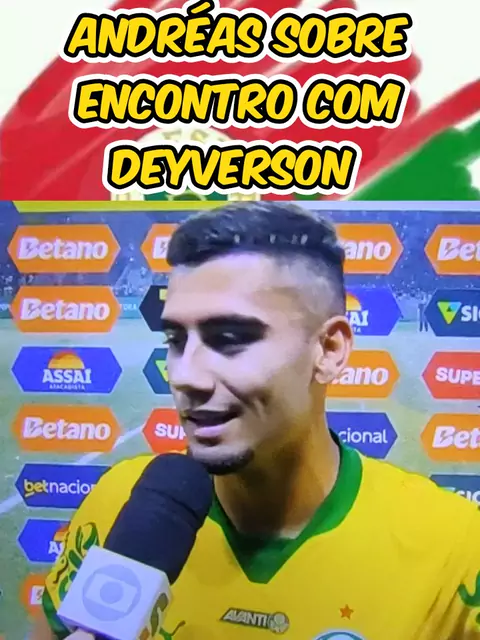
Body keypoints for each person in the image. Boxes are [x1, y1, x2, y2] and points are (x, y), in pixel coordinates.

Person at [33, 202, 480, 640]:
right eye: (176, 339)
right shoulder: (118, 503)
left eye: (230, 339)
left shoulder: (456, 546)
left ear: (329, 350)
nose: (186, 375)